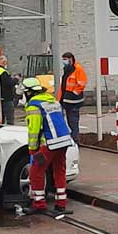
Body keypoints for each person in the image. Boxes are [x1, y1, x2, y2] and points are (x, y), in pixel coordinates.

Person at [23, 77, 74, 216]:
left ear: (29, 92)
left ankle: (39, 204)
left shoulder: (34, 105)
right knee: (59, 170)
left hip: (49, 144)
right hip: (64, 141)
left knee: (36, 171)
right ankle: (61, 204)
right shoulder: (53, 100)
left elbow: (34, 130)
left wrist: (32, 149)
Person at [59, 52, 88, 141]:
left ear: (71, 59)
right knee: (69, 121)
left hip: (73, 101)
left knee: (73, 122)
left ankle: (75, 140)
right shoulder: (67, 69)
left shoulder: (77, 69)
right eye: (63, 59)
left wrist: (73, 94)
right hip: (66, 100)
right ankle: (72, 139)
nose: (64, 61)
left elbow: (82, 83)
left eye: (65, 59)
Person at [0, 57, 17, 125]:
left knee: (1, 118)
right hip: (7, 98)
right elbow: (8, 84)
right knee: (10, 118)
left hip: (1, 97)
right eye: (5, 62)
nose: (6, 63)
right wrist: (16, 79)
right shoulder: (3, 72)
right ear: (3, 62)